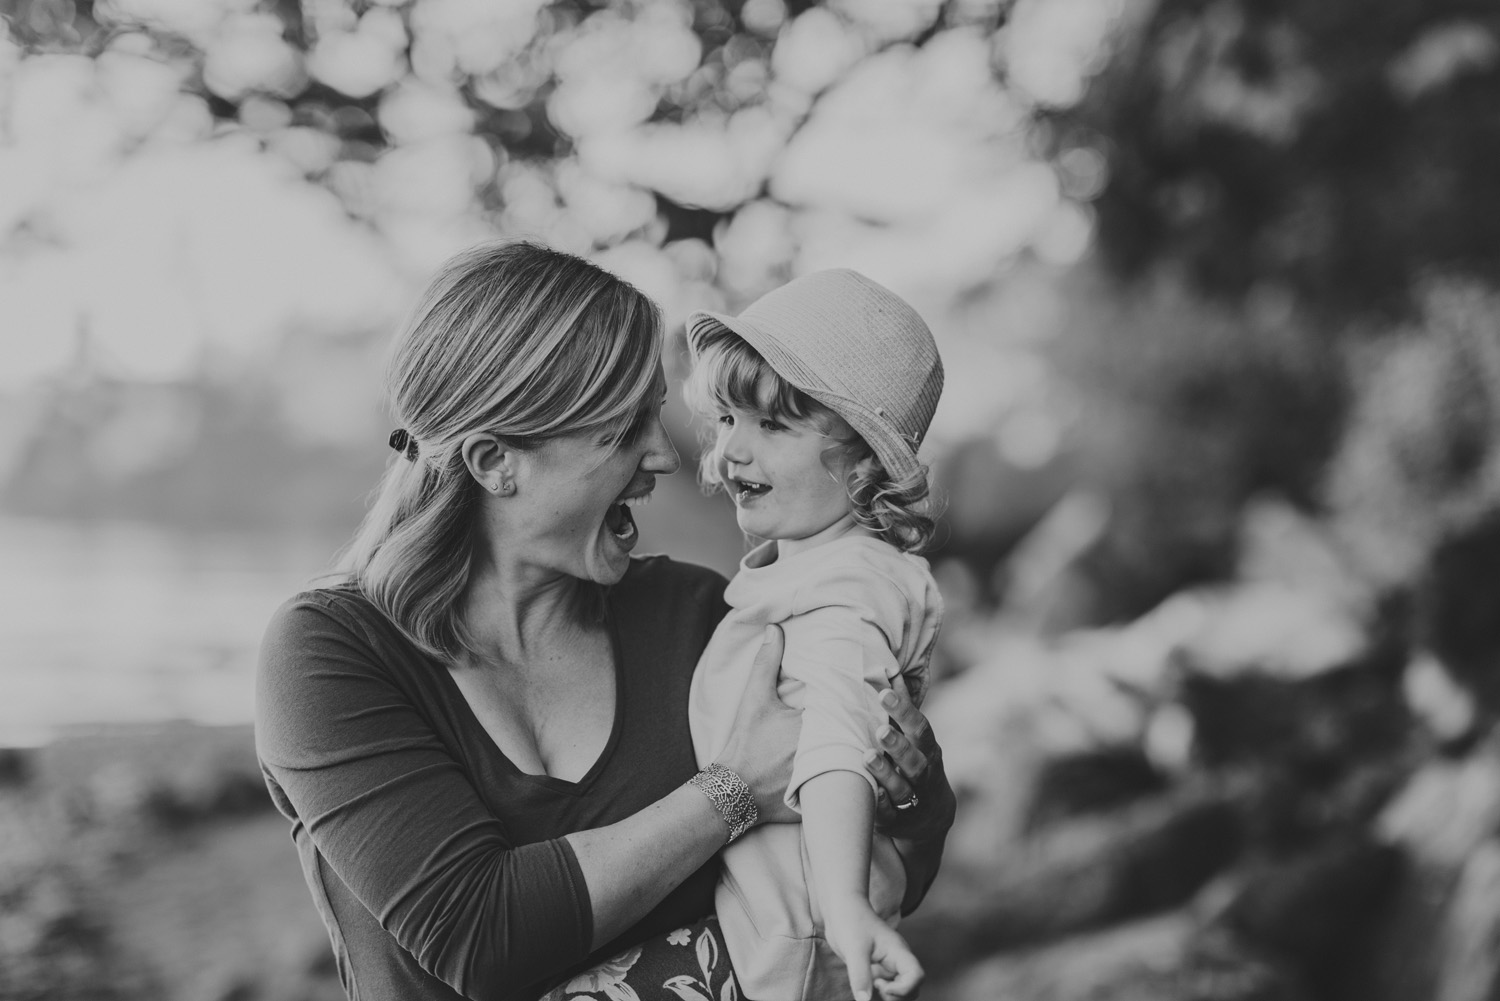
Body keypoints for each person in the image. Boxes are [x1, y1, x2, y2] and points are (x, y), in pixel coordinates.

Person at [254, 241, 956, 1001]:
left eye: (656, 417)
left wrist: (910, 793)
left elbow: (863, 874)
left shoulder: (695, 614)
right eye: (623, 431)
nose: (665, 457)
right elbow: (478, 933)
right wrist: (731, 791)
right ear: (496, 461)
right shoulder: (328, 651)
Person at [681, 270, 944, 1001]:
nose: (734, 450)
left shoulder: (845, 590)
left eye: (773, 426)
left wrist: (844, 906)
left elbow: (833, 743)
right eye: (728, 417)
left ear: (863, 458)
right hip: (765, 927)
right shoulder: (809, 566)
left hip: (794, 948)